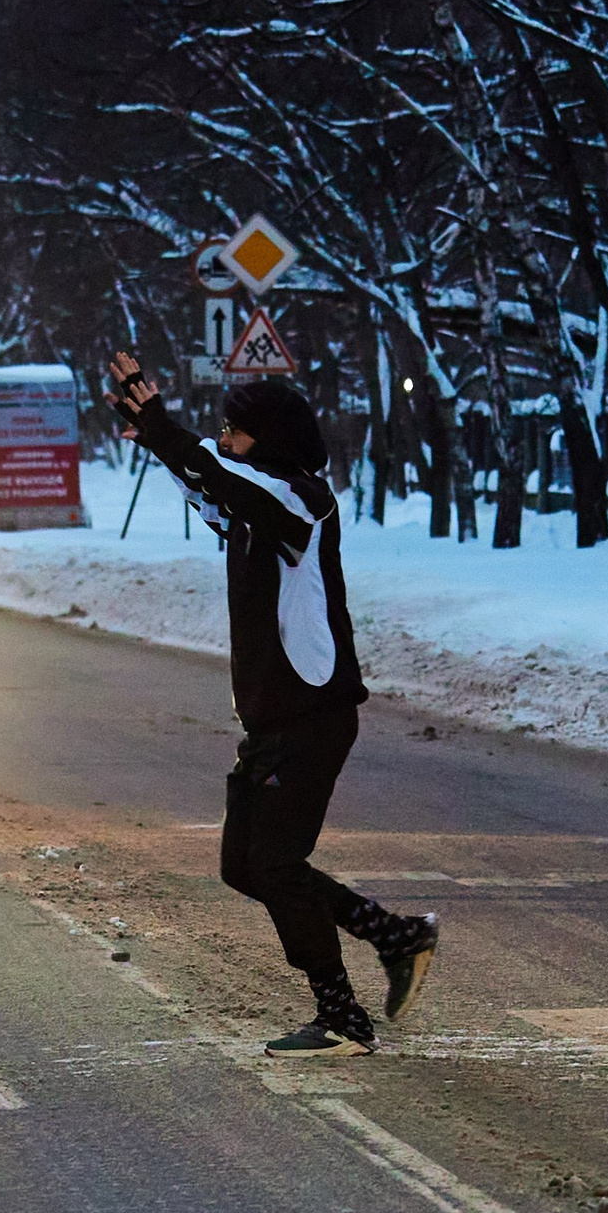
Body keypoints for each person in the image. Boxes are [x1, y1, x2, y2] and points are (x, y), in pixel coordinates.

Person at [105, 358, 439, 1056]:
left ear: (271, 438)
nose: (226, 441)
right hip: (274, 722)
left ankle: (342, 1014)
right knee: (244, 865)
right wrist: (156, 438)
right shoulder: (258, 506)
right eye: (222, 430)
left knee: (278, 864)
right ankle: (394, 935)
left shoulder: (301, 502)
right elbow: (211, 488)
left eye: (237, 431)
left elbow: (229, 479)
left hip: (310, 716)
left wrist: (168, 426)